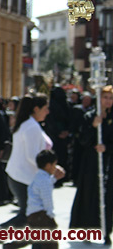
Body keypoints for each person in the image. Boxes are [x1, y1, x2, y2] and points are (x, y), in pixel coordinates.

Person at [3, 95, 56, 228]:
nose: (48, 112)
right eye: (45, 108)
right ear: (36, 109)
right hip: (24, 177)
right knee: (28, 216)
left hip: (22, 176)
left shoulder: (29, 124)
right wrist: (50, 167)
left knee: (31, 217)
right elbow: (32, 156)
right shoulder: (31, 127)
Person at [70, 85, 113, 245]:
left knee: (107, 197)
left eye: (110, 98)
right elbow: (82, 139)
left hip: (109, 162)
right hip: (91, 163)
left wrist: (107, 147)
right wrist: (93, 126)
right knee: (89, 195)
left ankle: (106, 230)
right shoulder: (89, 116)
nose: (108, 101)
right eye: (105, 97)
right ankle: (88, 230)